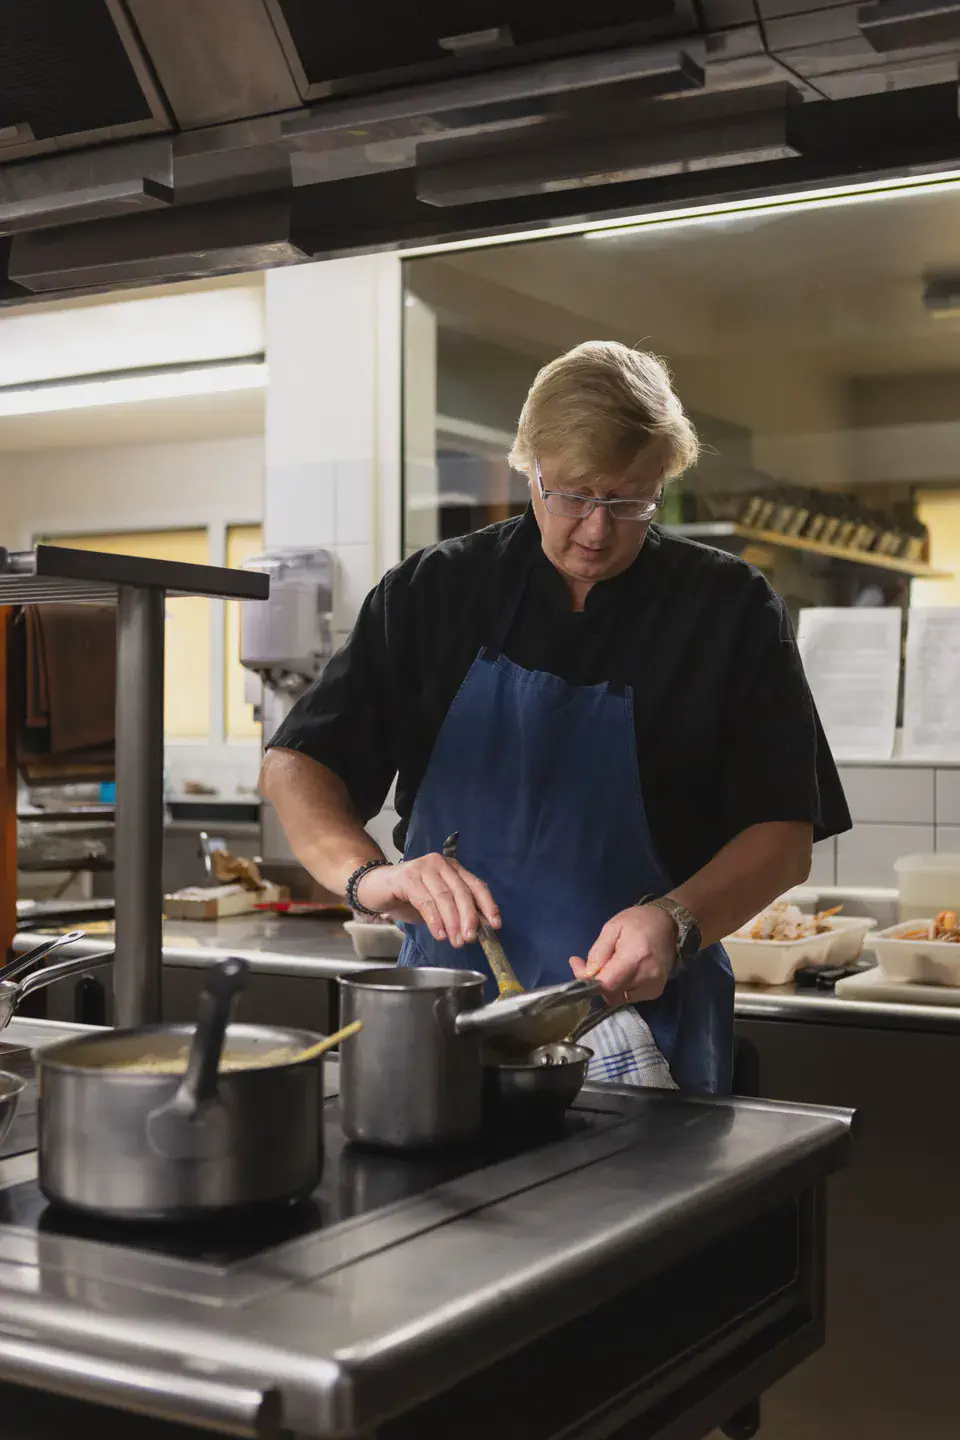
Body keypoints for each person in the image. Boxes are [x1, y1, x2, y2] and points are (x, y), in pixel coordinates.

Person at [260, 341, 850, 1094]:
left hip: (650, 1016)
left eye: (629, 499)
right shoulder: (433, 592)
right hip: (450, 1018)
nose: (596, 530)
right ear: (528, 469)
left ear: (664, 480)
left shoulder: (729, 610)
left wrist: (675, 920)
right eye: (572, 495)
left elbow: (783, 836)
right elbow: (296, 765)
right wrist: (369, 877)